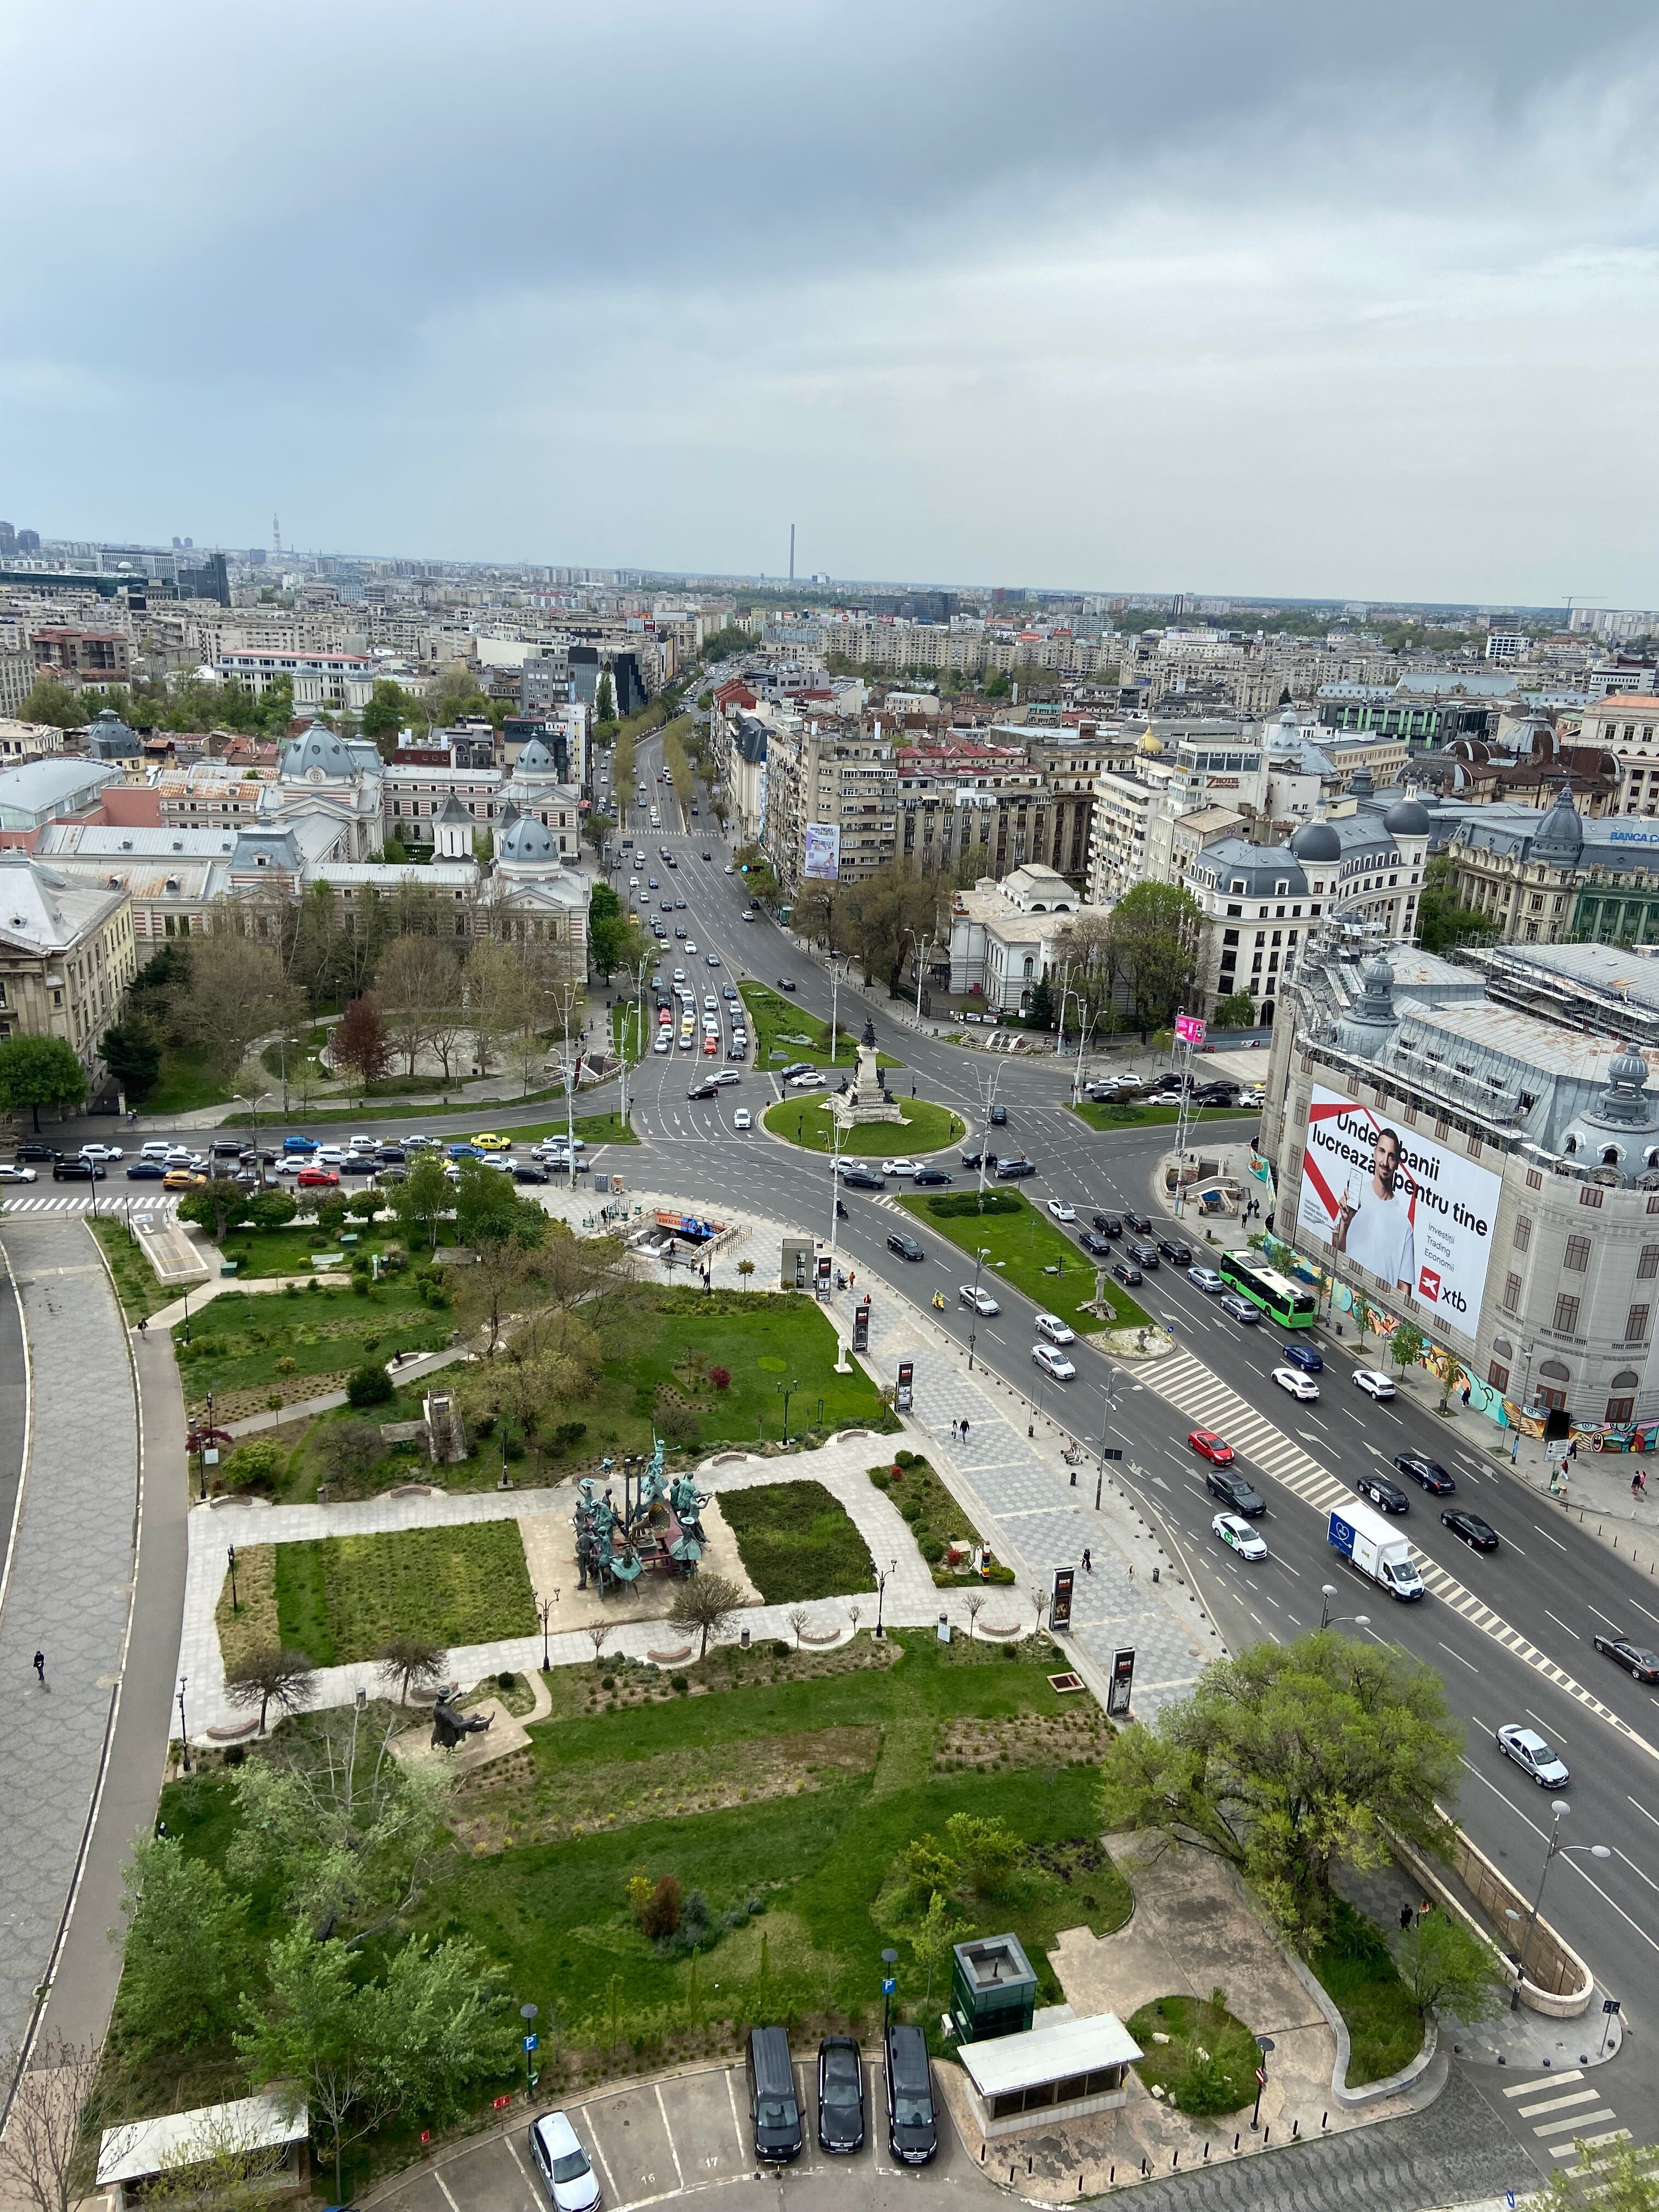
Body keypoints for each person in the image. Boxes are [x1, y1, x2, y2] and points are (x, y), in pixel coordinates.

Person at [1331, 1124, 1417, 1293]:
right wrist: (1345, 1225)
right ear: (1374, 1153)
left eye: (1391, 1156)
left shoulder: (1404, 1224)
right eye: (1382, 1152)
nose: (1385, 1162)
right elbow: (1334, 1251)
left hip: (1375, 1314)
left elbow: (1404, 1288)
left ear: (1398, 1163)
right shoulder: (1354, 1198)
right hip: (1344, 1297)